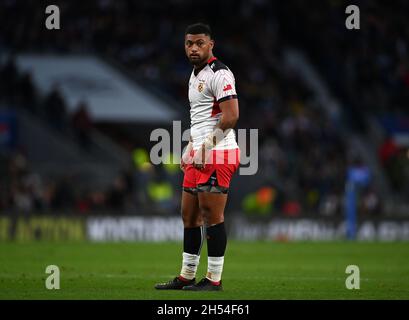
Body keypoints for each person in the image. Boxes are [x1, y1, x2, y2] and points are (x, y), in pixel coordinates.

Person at [155, 23, 240, 291]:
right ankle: (186, 275)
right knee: (188, 215)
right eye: (189, 43)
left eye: (199, 43)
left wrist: (205, 147)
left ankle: (214, 280)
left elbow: (231, 116)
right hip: (199, 152)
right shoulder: (194, 75)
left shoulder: (221, 73)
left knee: (211, 216)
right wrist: (190, 146)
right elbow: (201, 119)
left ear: (211, 44)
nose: (193, 48)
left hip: (219, 152)